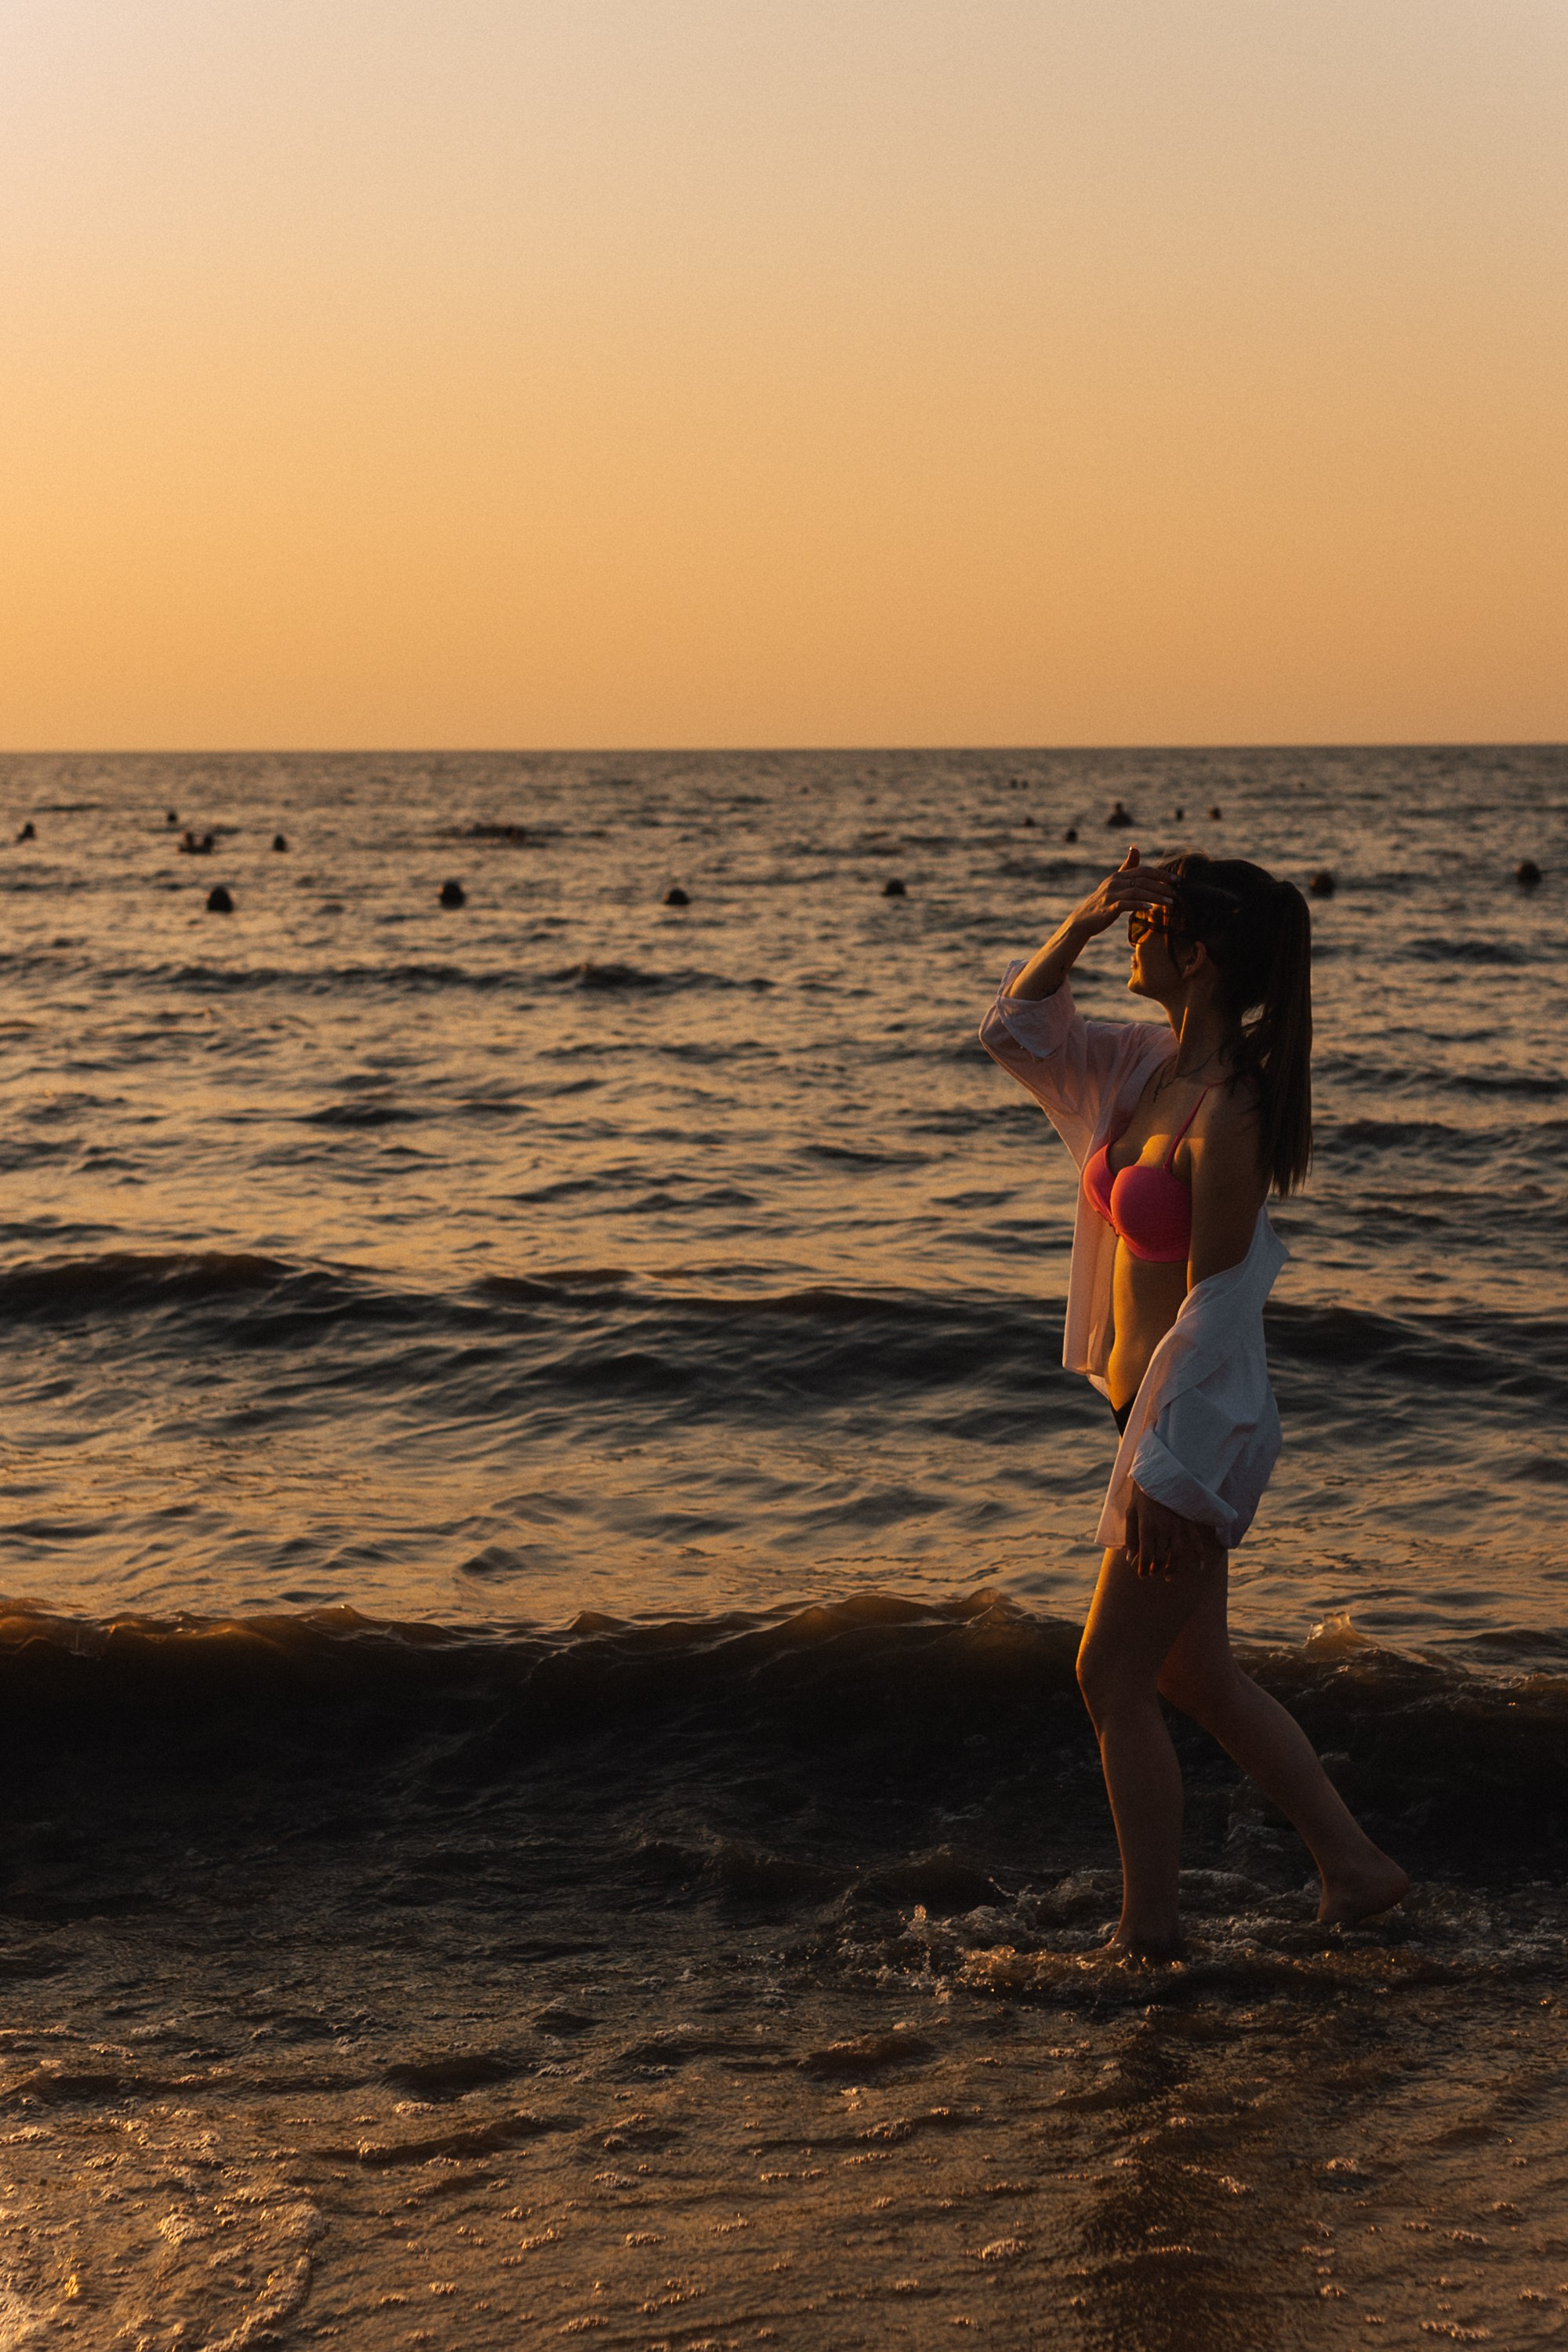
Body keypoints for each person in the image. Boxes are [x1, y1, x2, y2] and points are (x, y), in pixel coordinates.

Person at [980, 844, 1407, 1957]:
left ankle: (1149, 1932)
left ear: (1198, 955)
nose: (1134, 938)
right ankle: (1355, 1870)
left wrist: (1168, 1472)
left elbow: (1217, 1312)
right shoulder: (1145, 1066)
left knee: (1110, 1674)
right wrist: (1078, 920)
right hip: (1145, 1420)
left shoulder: (1232, 1112)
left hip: (1191, 1429)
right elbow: (1016, 1032)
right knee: (1193, 1672)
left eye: (1145, 926)